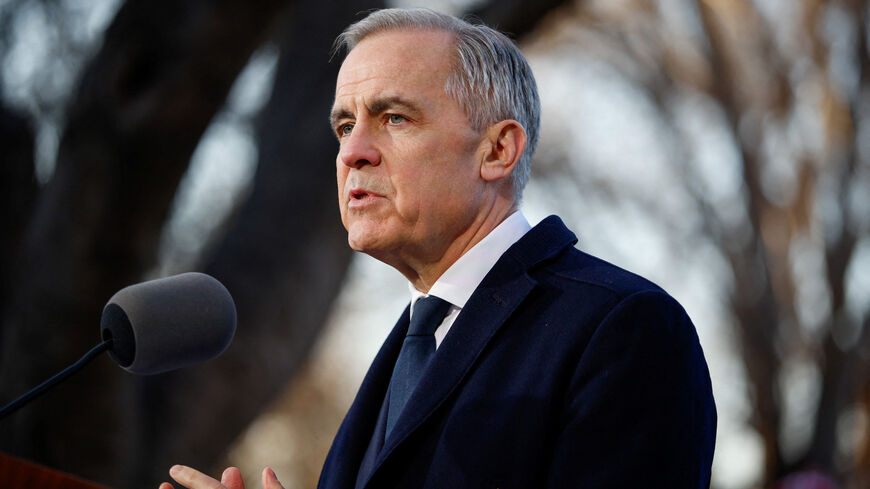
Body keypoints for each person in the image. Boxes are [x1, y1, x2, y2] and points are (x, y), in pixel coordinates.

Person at [162, 8, 716, 489]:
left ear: (497, 150)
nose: (353, 151)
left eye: (394, 117)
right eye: (345, 125)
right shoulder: (409, 346)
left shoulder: (624, 329)